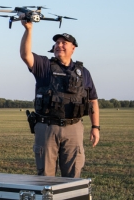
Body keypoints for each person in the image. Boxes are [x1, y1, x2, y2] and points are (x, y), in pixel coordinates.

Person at [20, 20, 100, 178]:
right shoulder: (44, 66)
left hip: (74, 128)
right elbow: (25, 55)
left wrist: (95, 127)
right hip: (47, 127)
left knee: (73, 174)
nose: (59, 45)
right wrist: (29, 29)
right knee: (45, 176)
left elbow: (92, 100)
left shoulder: (83, 72)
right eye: (57, 42)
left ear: (73, 48)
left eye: (64, 43)